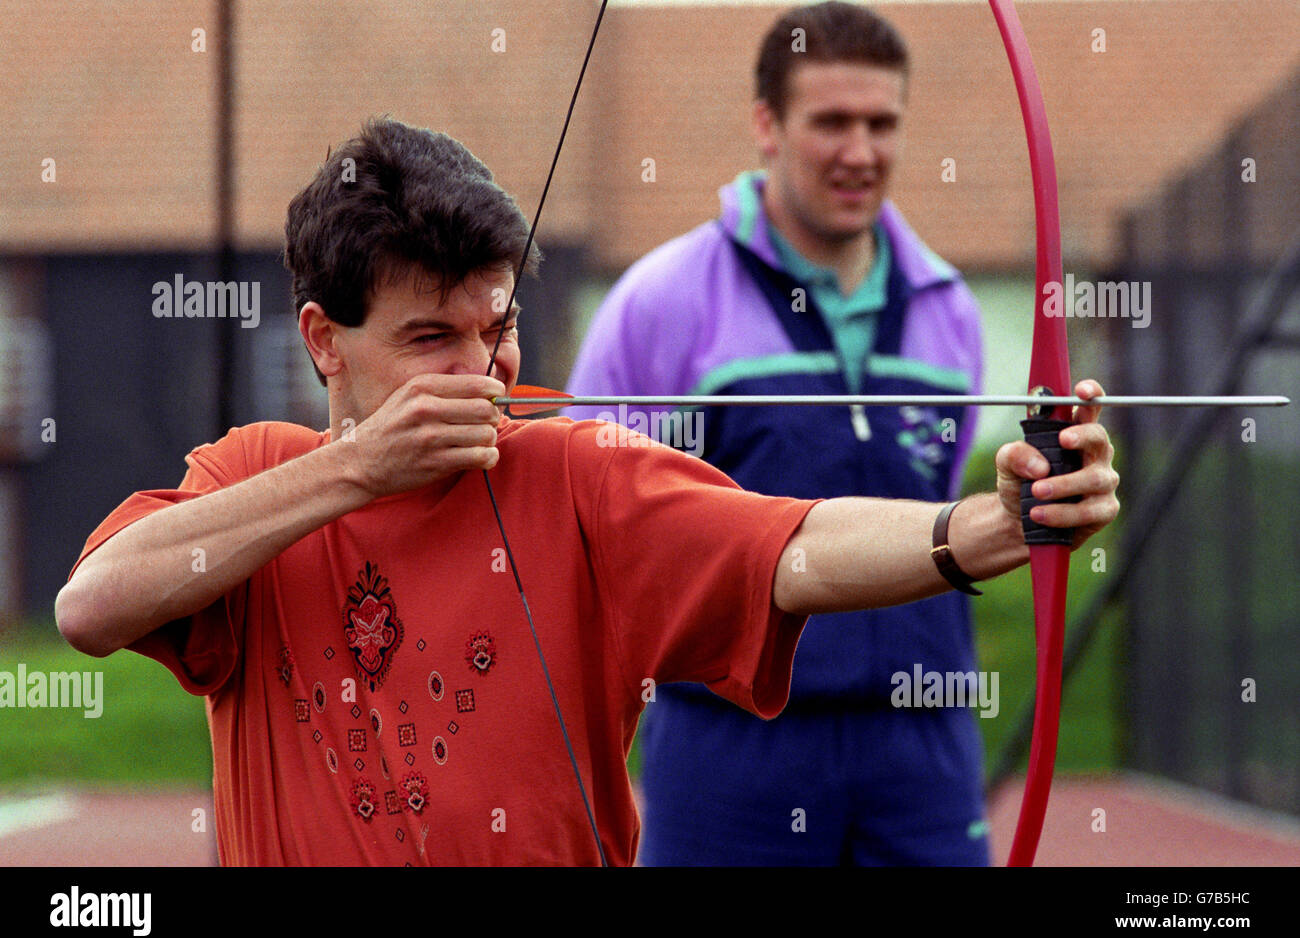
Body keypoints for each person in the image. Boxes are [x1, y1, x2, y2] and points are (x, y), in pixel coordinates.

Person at [56, 117, 1119, 867]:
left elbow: (790, 545)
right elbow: (89, 607)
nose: (483, 370)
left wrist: (984, 525)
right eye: (431, 338)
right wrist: (353, 469)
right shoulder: (254, 475)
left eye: (498, 328)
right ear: (324, 340)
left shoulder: (574, 472)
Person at [565, 2, 1009, 864]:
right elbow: (595, 522)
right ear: (767, 126)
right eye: (832, 122)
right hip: (728, 747)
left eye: (883, 123)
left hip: (922, 745)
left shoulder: (949, 308)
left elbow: (942, 496)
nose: (861, 151)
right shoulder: (662, 303)